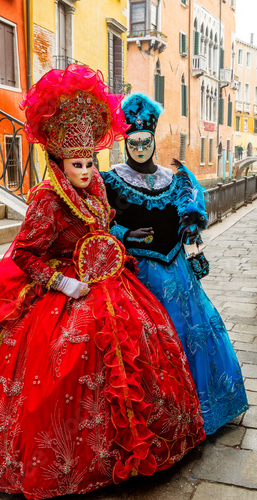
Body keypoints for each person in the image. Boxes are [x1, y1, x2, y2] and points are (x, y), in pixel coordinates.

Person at [0, 67, 205, 498]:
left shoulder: (96, 190)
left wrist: (118, 253)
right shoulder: (47, 198)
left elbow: (105, 232)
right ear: (60, 161)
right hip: (62, 294)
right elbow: (23, 254)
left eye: (91, 162)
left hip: (111, 284)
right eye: (79, 164)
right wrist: (61, 283)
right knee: (64, 364)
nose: (88, 170)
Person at [101, 93, 248, 436]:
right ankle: (165, 421)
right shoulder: (110, 180)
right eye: (133, 141)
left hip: (180, 274)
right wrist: (123, 232)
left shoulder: (176, 179)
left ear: (153, 139)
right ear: (126, 142)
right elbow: (97, 223)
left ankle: (204, 410)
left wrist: (193, 244)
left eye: (145, 141)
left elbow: (189, 228)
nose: (139, 147)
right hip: (139, 277)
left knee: (193, 335)